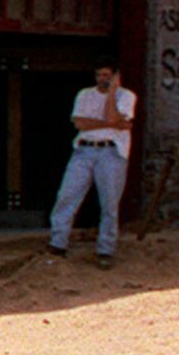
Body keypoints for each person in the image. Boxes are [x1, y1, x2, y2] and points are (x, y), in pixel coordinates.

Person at [44, 63, 137, 265]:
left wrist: (112, 94)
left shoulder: (126, 96)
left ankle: (105, 250)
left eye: (106, 75)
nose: (101, 78)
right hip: (84, 150)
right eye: (98, 74)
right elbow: (80, 123)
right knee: (67, 195)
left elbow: (113, 116)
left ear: (115, 76)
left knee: (109, 202)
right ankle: (58, 243)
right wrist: (113, 124)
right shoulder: (84, 94)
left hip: (111, 152)